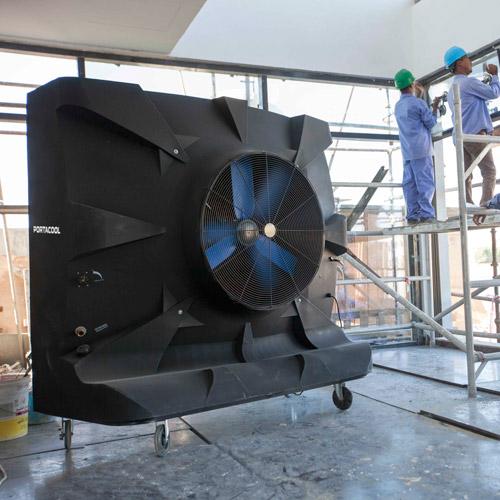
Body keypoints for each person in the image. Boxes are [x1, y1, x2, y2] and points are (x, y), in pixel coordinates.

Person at [445, 46, 500, 209]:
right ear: (459, 63)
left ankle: (467, 205)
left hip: (461, 138)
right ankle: (484, 207)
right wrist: (495, 76)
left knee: (466, 176)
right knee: (489, 172)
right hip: (475, 136)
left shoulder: (452, 89)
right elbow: (494, 93)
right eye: (467, 58)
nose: (470, 62)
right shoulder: (469, 82)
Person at [394, 68, 440, 225]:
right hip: (421, 150)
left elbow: (412, 114)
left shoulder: (398, 106)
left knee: (410, 184)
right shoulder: (419, 103)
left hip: (407, 152)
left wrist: (419, 97)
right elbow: (431, 123)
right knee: (425, 183)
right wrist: (434, 109)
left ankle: (412, 215)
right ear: (412, 84)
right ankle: (427, 214)